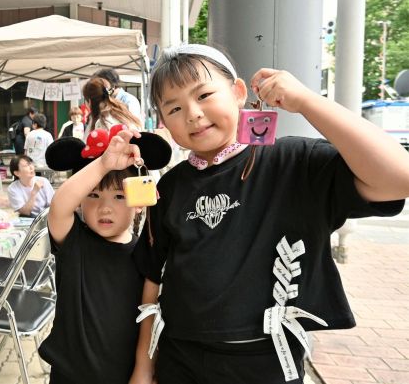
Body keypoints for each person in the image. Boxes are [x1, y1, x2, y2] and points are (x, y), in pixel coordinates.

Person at [129, 44, 409, 384]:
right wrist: (144, 368)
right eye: (173, 107)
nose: (192, 113)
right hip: (180, 360)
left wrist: (307, 101)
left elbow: (399, 178)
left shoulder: (293, 162)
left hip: (267, 362)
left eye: (203, 95)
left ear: (238, 92)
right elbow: (152, 276)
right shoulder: (170, 187)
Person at [39, 125, 171, 384]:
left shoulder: (147, 251)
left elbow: (152, 315)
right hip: (69, 375)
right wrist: (103, 164)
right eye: (93, 195)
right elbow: (59, 204)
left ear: (137, 202)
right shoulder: (73, 241)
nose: (105, 208)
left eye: (120, 196)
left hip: (124, 374)